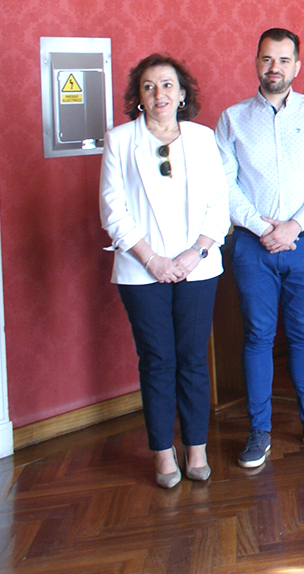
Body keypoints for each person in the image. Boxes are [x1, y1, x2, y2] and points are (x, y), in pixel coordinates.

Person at [217, 28, 304, 470]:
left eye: (283, 60)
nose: (274, 68)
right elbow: (225, 183)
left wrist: (292, 225)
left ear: (297, 66)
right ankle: (259, 431)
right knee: (258, 336)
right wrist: (262, 228)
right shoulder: (233, 119)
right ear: (256, 63)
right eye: (266, 59)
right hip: (253, 247)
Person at [100, 54, 228, 486]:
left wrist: (194, 254)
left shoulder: (202, 138)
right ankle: (161, 452)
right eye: (150, 86)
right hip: (142, 272)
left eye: (168, 85)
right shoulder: (119, 140)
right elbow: (113, 212)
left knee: (192, 360)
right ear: (139, 95)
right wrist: (153, 259)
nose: (160, 94)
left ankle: (195, 448)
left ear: (182, 93)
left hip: (197, 266)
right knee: (157, 361)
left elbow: (219, 205)